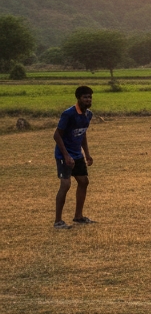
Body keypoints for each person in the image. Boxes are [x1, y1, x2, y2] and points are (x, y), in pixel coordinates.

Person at [53, 85, 96, 229]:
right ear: (78, 98)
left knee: (84, 181)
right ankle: (58, 221)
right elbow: (57, 135)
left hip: (77, 154)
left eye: (90, 97)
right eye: (85, 97)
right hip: (64, 155)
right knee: (65, 185)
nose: (88, 100)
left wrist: (87, 154)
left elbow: (82, 133)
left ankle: (78, 216)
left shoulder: (88, 115)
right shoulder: (69, 114)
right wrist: (66, 156)